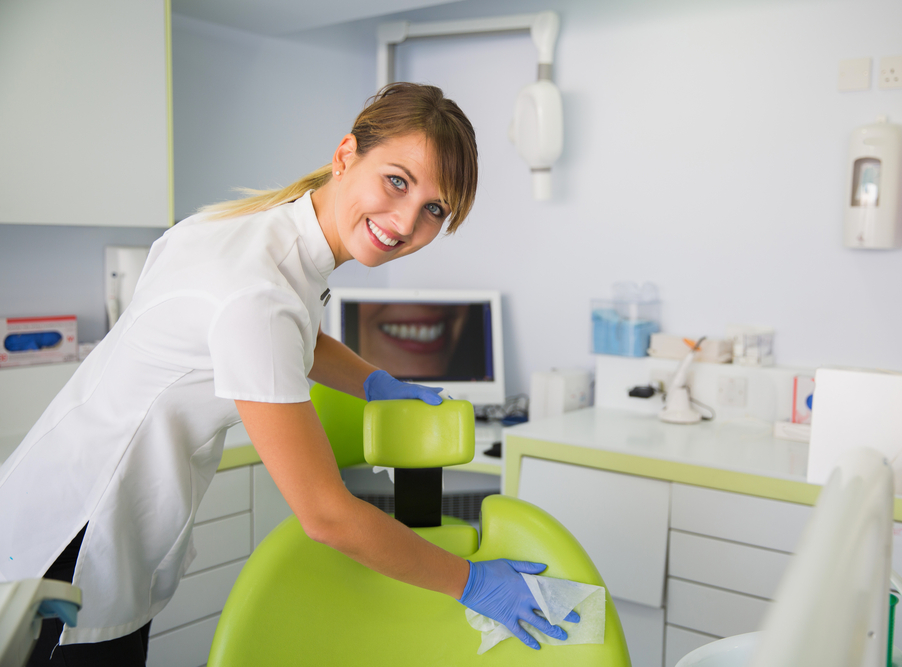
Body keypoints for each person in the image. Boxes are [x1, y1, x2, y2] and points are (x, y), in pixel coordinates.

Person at [0, 83, 575, 666]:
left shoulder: (256, 233)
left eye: (434, 209)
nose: (405, 222)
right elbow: (326, 515)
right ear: (346, 155)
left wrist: (374, 381)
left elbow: (296, 333)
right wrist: (471, 581)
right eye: (397, 181)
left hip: (50, 497)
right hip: (74, 540)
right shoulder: (257, 293)